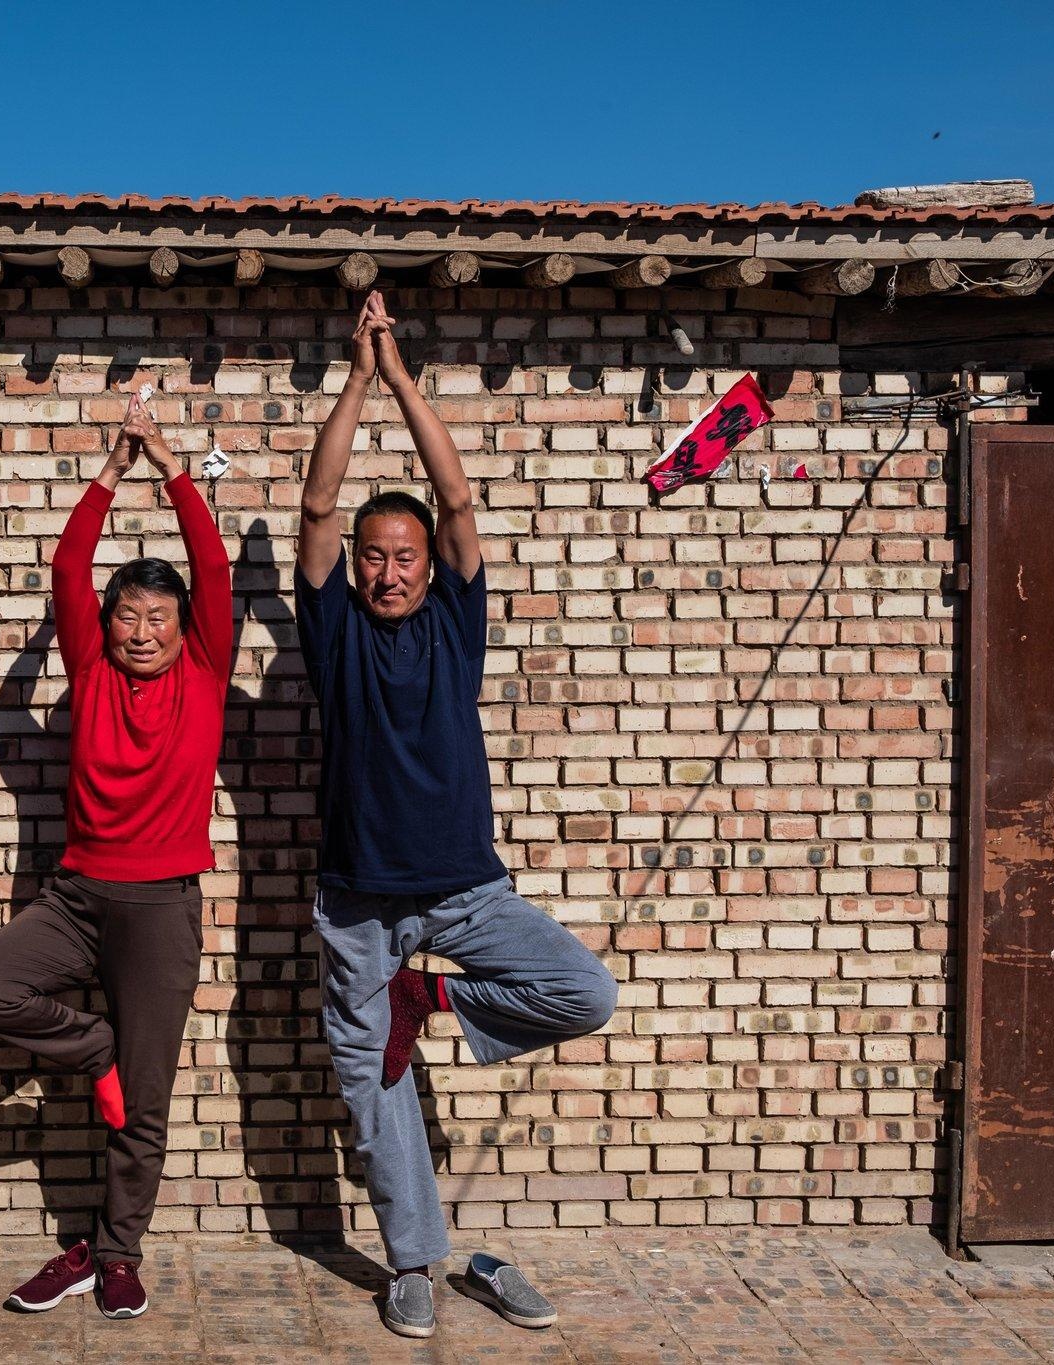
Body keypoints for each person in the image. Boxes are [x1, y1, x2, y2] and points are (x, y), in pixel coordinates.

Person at [296, 292, 618, 1339]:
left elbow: (457, 495)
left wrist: (401, 380)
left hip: (464, 893)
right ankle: (412, 1266)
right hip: (356, 907)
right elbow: (312, 507)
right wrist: (352, 380)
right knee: (372, 1093)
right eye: (371, 556)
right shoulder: (334, 633)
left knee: (582, 991)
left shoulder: (455, 624)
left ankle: (427, 999)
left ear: (428, 565)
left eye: (405, 556)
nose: (387, 571)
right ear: (355, 564)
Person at [0, 394, 232, 1321]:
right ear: (107, 622)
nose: (142, 630)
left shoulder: (202, 666)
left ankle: (113, 1253)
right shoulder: (92, 668)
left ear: (179, 625)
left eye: (158, 616)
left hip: (161, 910)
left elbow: (213, 567)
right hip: (75, 897)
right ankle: (97, 1046)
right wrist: (113, 469)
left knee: (141, 1106)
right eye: (128, 615)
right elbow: (71, 567)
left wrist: (173, 465)